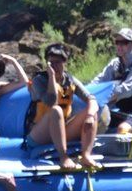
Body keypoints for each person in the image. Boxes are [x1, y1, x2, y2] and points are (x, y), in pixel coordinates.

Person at [26, 43, 103, 171]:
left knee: (91, 111)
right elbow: (51, 102)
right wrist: (51, 78)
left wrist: (89, 116)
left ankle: (86, 155)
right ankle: (63, 156)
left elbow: (92, 99)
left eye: (57, 62)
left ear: (64, 62)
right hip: (39, 134)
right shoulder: (39, 80)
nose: (54, 66)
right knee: (56, 110)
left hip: (61, 130)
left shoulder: (70, 80)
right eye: (51, 63)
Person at [93, 27, 132, 132]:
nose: (119, 45)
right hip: (124, 111)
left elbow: (126, 90)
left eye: (124, 42)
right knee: (93, 123)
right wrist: (86, 93)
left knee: (123, 129)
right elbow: (98, 82)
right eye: (117, 42)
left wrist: (100, 98)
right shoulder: (115, 64)